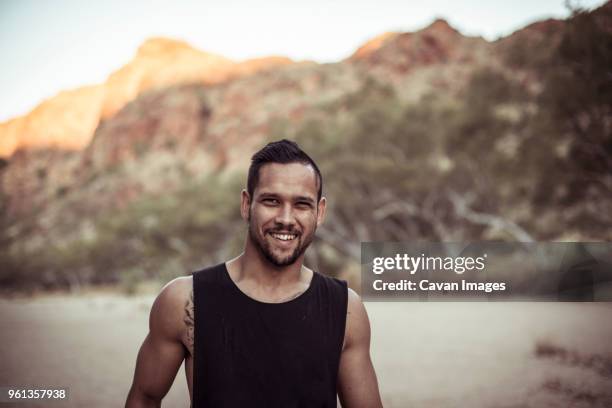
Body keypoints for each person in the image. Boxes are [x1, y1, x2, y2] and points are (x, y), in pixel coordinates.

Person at [125, 139, 383, 407]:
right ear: (247, 204)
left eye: (301, 204)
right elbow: (144, 398)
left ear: (319, 212)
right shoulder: (184, 300)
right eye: (271, 201)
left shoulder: (345, 309)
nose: (285, 218)